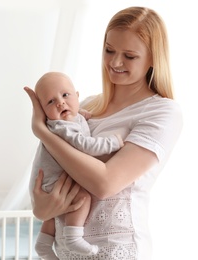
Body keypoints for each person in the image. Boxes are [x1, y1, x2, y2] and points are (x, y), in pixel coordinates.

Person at [24, 6, 182, 260]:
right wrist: (41, 208)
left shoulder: (162, 112)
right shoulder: (83, 106)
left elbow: (106, 183)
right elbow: (47, 175)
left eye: (129, 56)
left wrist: (43, 132)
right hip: (65, 252)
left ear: (153, 58)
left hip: (115, 249)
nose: (115, 62)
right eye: (109, 50)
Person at [30, 72, 124, 259]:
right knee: (81, 196)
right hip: (52, 179)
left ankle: (43, 243)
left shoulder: (73, 117)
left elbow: (77, 116)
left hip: (47, 180)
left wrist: (81, 112)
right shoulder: (62, 126)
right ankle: (73, 236)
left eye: (65, 95)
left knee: (55, 212)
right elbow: (85, 145)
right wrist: (112, 143)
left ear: (77, 96)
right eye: (50, 102)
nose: (60, 103)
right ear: (43, 111)